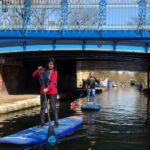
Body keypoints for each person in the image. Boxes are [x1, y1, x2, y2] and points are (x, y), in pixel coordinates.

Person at [32, 58, 59, 127]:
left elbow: (53, 82)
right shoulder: (42, 70)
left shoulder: (54, 72)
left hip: (52, 92)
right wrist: (38, 69)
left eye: (52, 64)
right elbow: (34, 75)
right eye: (50, 64)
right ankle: (42, 123)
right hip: (43, 92)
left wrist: (47, 89)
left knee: (53, 107)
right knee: (43, 107)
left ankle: (56, 123)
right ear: (47, 64)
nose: (51, 65)